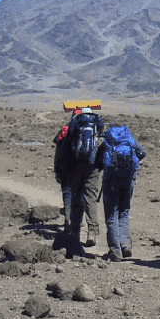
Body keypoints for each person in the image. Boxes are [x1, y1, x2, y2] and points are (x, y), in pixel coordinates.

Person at [56, 107, 105, 258]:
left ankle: (75, 233)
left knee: (77, 199)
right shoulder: (97, 125)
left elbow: (66, 146)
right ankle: (92, 233)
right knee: (90, 199)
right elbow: (102, 143)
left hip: (76, 166)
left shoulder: (74, 124)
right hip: (93, 168)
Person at [96, 124, 147, 262]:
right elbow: (142, 153)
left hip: (111, 182)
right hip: (128, 180)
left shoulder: (108, 142)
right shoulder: (129, 140)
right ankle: (125, 246)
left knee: (112, 215)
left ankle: (115, 251)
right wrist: (132, 167)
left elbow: (96, 161)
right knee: (124, 212)